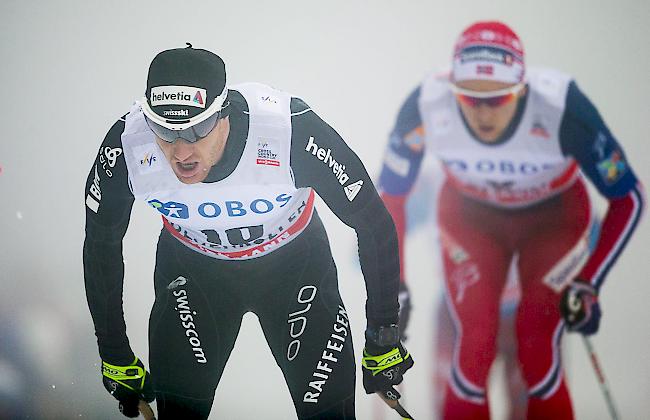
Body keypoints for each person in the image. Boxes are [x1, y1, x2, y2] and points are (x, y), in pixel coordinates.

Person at [83, 44, 413, 420]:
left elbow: (373, 224)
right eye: (164, 130)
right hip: (194, 276)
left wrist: (383, 335)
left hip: (295, 272)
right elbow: (100, 246)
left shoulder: (288, 130)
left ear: (223, 114)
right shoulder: (127, 146)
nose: (180, 151)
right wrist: (113, 354)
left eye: (197, 129)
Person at [378, 21, 644, 420]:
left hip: (553, 221)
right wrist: (394, 286)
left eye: (498, 100)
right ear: (453, 90)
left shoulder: (561, 106)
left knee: (537, 348)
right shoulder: (425, 103)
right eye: (469, 99)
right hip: (473, 220)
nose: (484, 112)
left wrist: (590, 283)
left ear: (522, 90)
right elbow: (391, 199)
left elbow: (629, 198)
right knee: (473, 348)